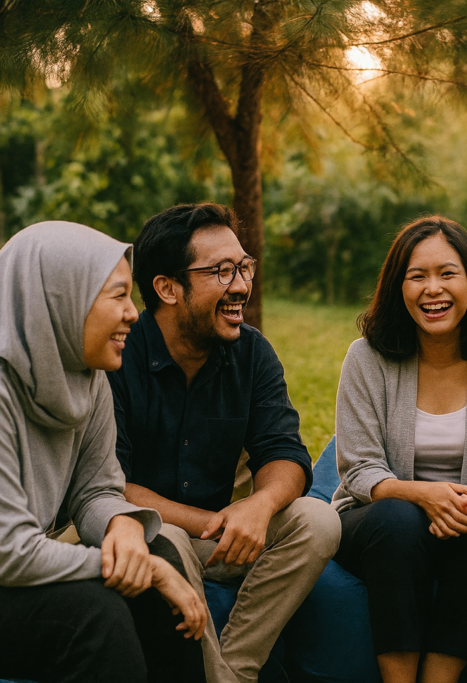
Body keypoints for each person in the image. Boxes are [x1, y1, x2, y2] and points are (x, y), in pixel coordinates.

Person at [0, 222, 207, 683]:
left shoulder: (86, 377)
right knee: (93, 613)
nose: (134, 313)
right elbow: (12, 553)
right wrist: (145, 570)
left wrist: (124, 528)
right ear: (61, 298)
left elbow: (96, 488)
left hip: (6, 577)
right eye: (117, 296)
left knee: (155, 551)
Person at [109, 203, 341, 683]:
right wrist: (214, 523)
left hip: (225, 542)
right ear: (167, 288)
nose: (240, 285)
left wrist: (259, 506)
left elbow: (285, 454)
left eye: (243, 266)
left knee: (318, 520)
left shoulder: (252, 351)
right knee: (167, 539)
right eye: (221, 271)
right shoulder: (120, 356)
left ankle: (235, 669)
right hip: (147, 534)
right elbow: (110, 484)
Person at [332, 215, 467, 683]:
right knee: (397, 520)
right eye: (417, 276)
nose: (433, 289)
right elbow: (359, 468)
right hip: (379, 521)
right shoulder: (365, 358)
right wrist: (421, 496)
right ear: (397, 288)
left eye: (447, 274)